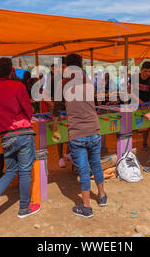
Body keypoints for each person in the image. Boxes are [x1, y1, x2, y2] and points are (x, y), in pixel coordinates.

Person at [0, 58, 40, 230]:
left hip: (5, 135)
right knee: (25, 171)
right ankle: (24, 207)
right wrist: (27, 117)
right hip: (23, 133)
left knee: (10, 171)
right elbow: (27, 109)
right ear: (12, 70)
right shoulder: (18, 86)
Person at [52, 54, 107, 218]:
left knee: (83, 169)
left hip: (77, 134)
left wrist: (54, 124)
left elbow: (57, 107)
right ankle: (102, 196)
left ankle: (86, 207)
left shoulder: (63, 83)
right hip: (94, 130)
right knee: (96, 164)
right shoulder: (89, 81)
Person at [131, 61, 150, 152]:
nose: (147, 73)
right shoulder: (134, 77)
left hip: (147, 105)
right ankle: (128, 145)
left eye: (149, 71)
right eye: (145, 71)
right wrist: (139, 102)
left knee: (146, 124)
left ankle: (145, 143)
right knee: (133, 123)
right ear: (141, 69)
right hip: (136, 103)